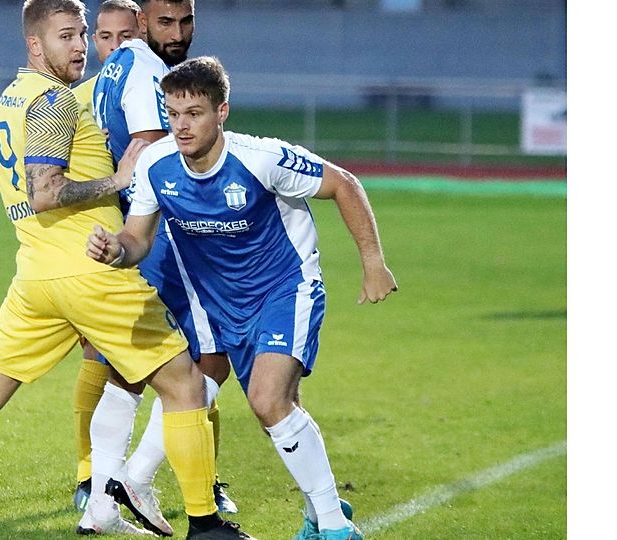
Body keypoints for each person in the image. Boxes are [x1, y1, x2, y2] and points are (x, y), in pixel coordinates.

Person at [0, 3, 254, 539]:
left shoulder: (10, 99)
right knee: (186, 385)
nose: (77, 46)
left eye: (81, 34)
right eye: (65, 36)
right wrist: (118, 181)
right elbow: (45, 193)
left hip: (34, 277)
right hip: (88, 269)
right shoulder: (54, 100)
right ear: (34, 45)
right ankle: (206, 526)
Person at [87, 56, 399, 540]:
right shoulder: (156, 163)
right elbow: (138, 239)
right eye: (172, 114)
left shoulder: (261, 158)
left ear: (222, 111)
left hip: (285, 288)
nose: (181, 126)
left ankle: (336, 528)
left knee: (267, 399)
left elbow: (343, 184)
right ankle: (322, 510)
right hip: (219, 308)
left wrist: (373, 262)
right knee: (281, 405)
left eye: (194, 113)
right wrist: (115, 251)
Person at [78, 0, 239, 536]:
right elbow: (149, 146)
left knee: (128, 370)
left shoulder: (114, 68)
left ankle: (101, 501)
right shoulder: (147, 69)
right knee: (215, 354)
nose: (178, 32)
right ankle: (139, 477)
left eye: (186, 20)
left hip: (133, 235)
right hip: (164, 236)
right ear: (142, 23)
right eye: (165, 22)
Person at [67, 0, 144, 515]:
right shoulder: (77, 99)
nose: (112, 46)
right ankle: (88, 473)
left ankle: (210, 477)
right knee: (98, 353)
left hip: (163, 235)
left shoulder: (158, 87)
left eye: (123, 36)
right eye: (103, 36)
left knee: (199, 360)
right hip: (105, 241)